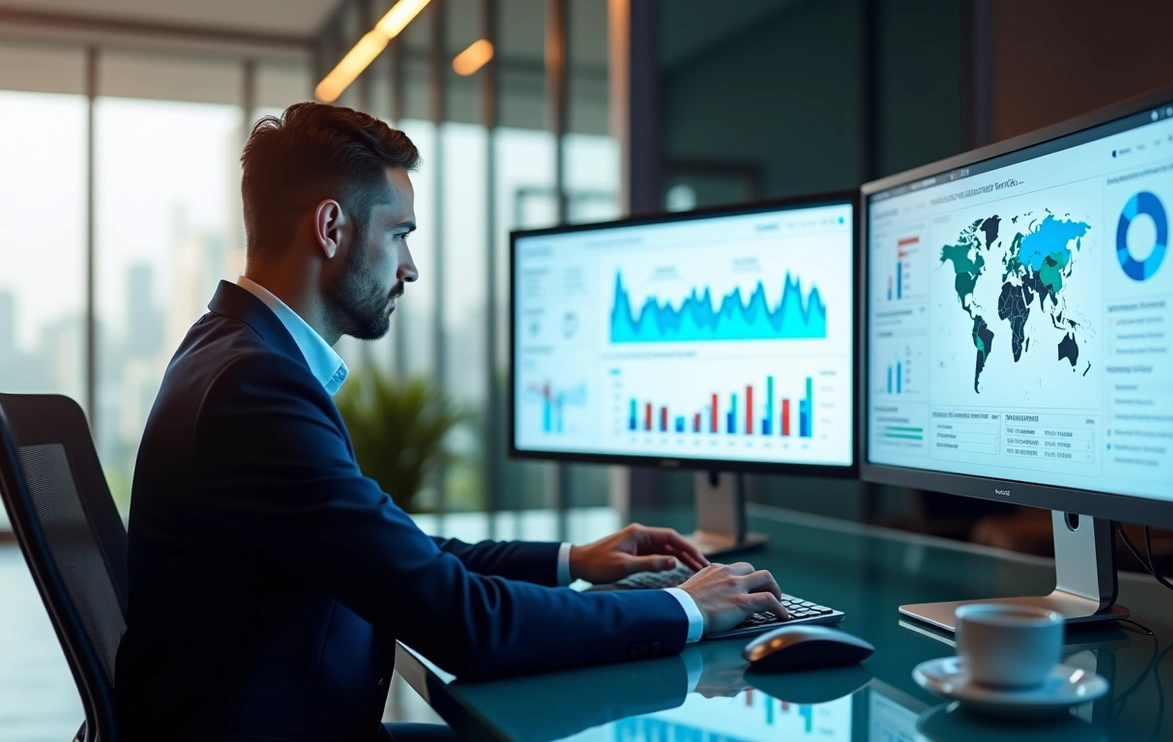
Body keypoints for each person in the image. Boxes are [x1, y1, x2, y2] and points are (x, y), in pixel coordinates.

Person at [114, 102, 788, 742]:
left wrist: (573, 561)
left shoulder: (231, 351)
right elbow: (465, 624)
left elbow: (395, 552)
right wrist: (686, 609)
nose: (410, 267)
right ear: (330, 228)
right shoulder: (255, 388)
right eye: (400, 234)